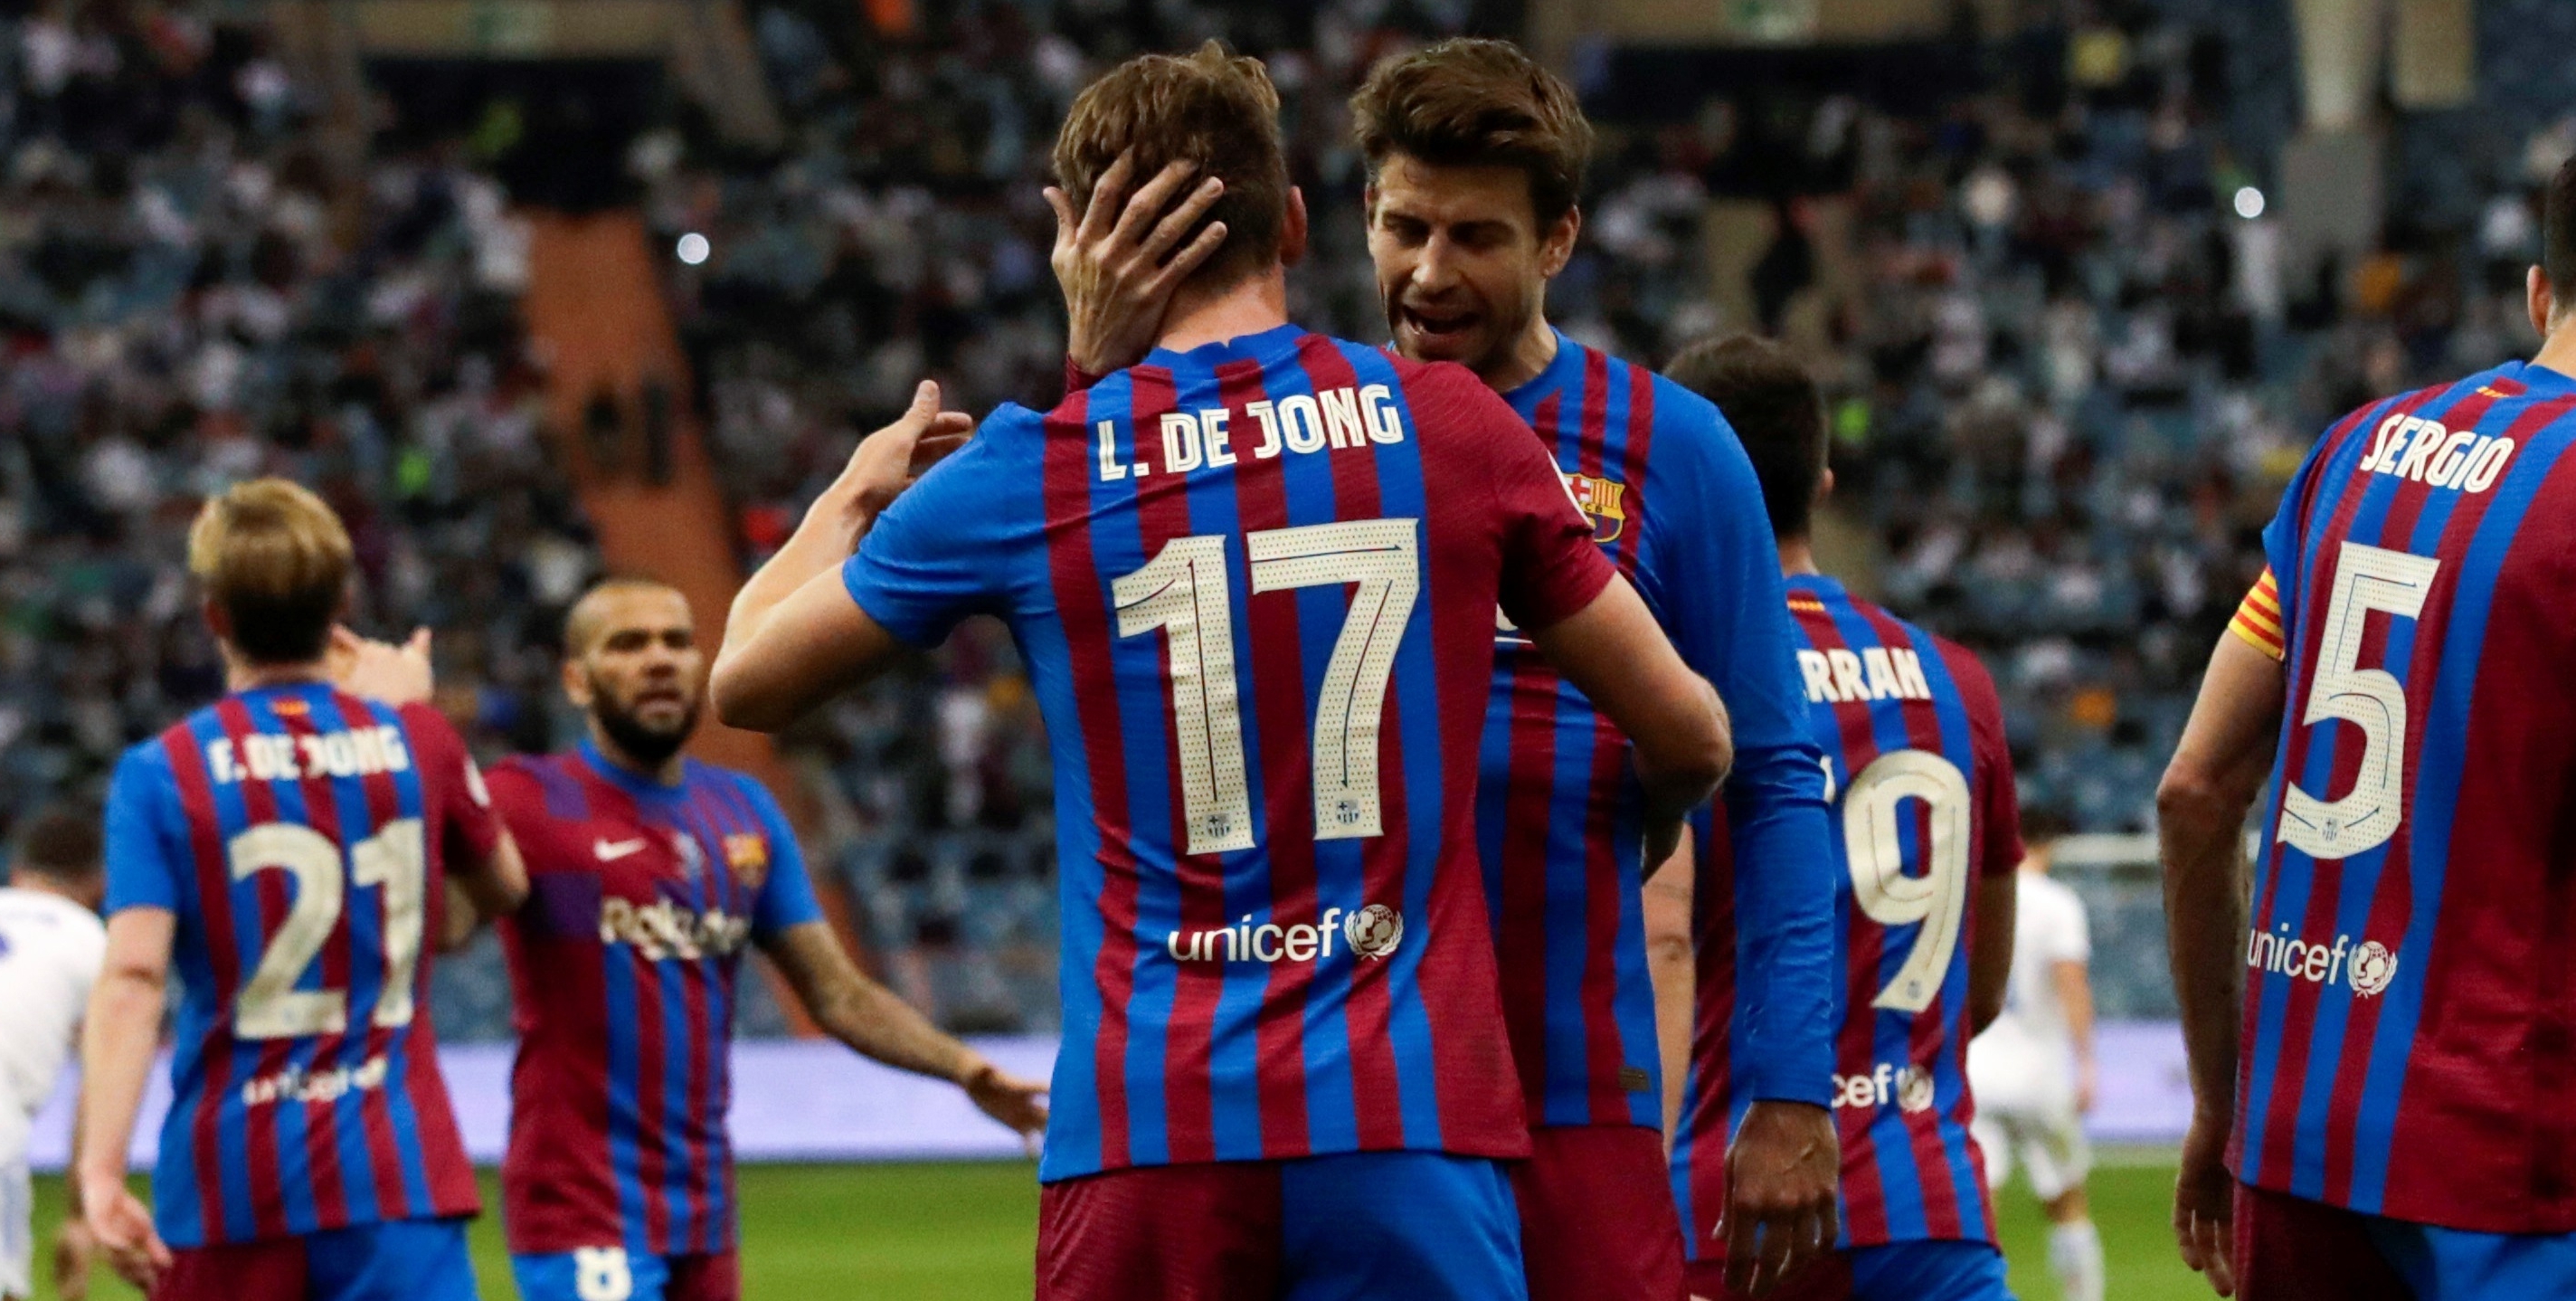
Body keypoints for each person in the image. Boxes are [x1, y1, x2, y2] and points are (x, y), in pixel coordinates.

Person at [711, 43, 1734, 1301]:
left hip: (1150, 1130)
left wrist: (854, 494)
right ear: (1298, 219)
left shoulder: (1036, 468)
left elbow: (745, 678)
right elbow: (1693, 733)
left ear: (1073, 237)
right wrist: (1653, 827)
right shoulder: (1452, 425)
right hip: (1403, 1120)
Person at [1048, 38, 1841, 1301]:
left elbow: (1780, 778)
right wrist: (1101, 372)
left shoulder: (1673, 450)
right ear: (1355, 214)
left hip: (1568, 1083)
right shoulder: (1276, 423)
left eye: (1477, 236)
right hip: (1327, 1103)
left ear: (1561, 240)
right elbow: (1103, 576)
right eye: (1404, 225)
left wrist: (1790, 1083)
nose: (1429, 273)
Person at [2158, 156, 2576, 1300]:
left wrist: (2220, 1096)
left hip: (2297, 1134)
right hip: (2512, 1160)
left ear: (2540, 294)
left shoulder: (2352, 453)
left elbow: (2192, 790)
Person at [488, 577, 1048, 1301]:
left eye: (677, 642)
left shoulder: (740, 811)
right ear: (576, 679)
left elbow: (839, 994)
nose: (659, 660)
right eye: (628, 644)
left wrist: (966, 1069)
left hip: (704, 1210)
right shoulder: (525, 800)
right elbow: (439, 919)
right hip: (579, 1205)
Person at [76, 478, 530, 1301]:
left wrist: (99, 1175)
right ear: (342, 603)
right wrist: (401, 724)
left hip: (229, 1184)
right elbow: (504, 885)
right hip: (396, 1170)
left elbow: (135, 980)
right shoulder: (417, 737)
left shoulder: (160, 774)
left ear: (213, 614)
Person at [1658, 334, 2022, 1301]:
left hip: (1722, 1205)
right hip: (1926, 1211)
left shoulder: (1666, 682)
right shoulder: (1958, 683)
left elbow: (1653, 950)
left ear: (1679, 487)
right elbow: (1978, 990)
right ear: (1820, 481)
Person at [1967, 820, 2104, 1301]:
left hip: (1976, 1070)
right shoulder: (2056, 902)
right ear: (2050, 843)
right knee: (2066, 1199)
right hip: (2039, 1074)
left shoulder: (1975, 895)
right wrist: (2087, 1062)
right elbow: (2070, 981)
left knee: (1981, 1204)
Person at [0, 808, 107, 1301]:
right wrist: (80, 1218)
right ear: (96, 882)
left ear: (19, 872)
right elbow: (100, 1086)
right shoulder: (91, 939)